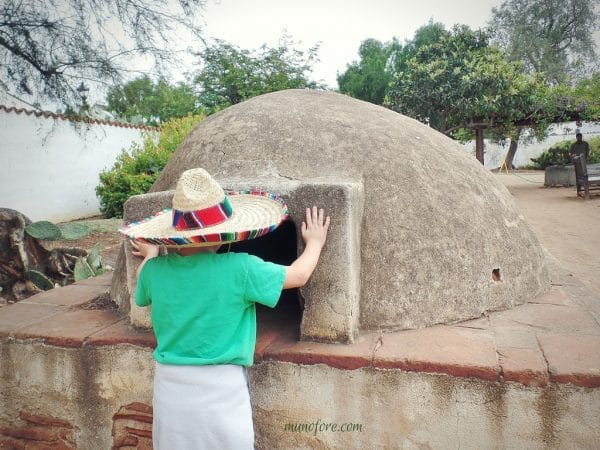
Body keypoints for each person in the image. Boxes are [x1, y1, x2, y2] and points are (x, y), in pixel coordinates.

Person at [120, 167, 330, 450]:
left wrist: (152, 254)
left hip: (171, 390)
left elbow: (143, 284)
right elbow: (298, 276)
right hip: (222, 391)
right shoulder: (240, 268)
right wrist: (315, 243)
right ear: (224, 232)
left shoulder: (155, 272)